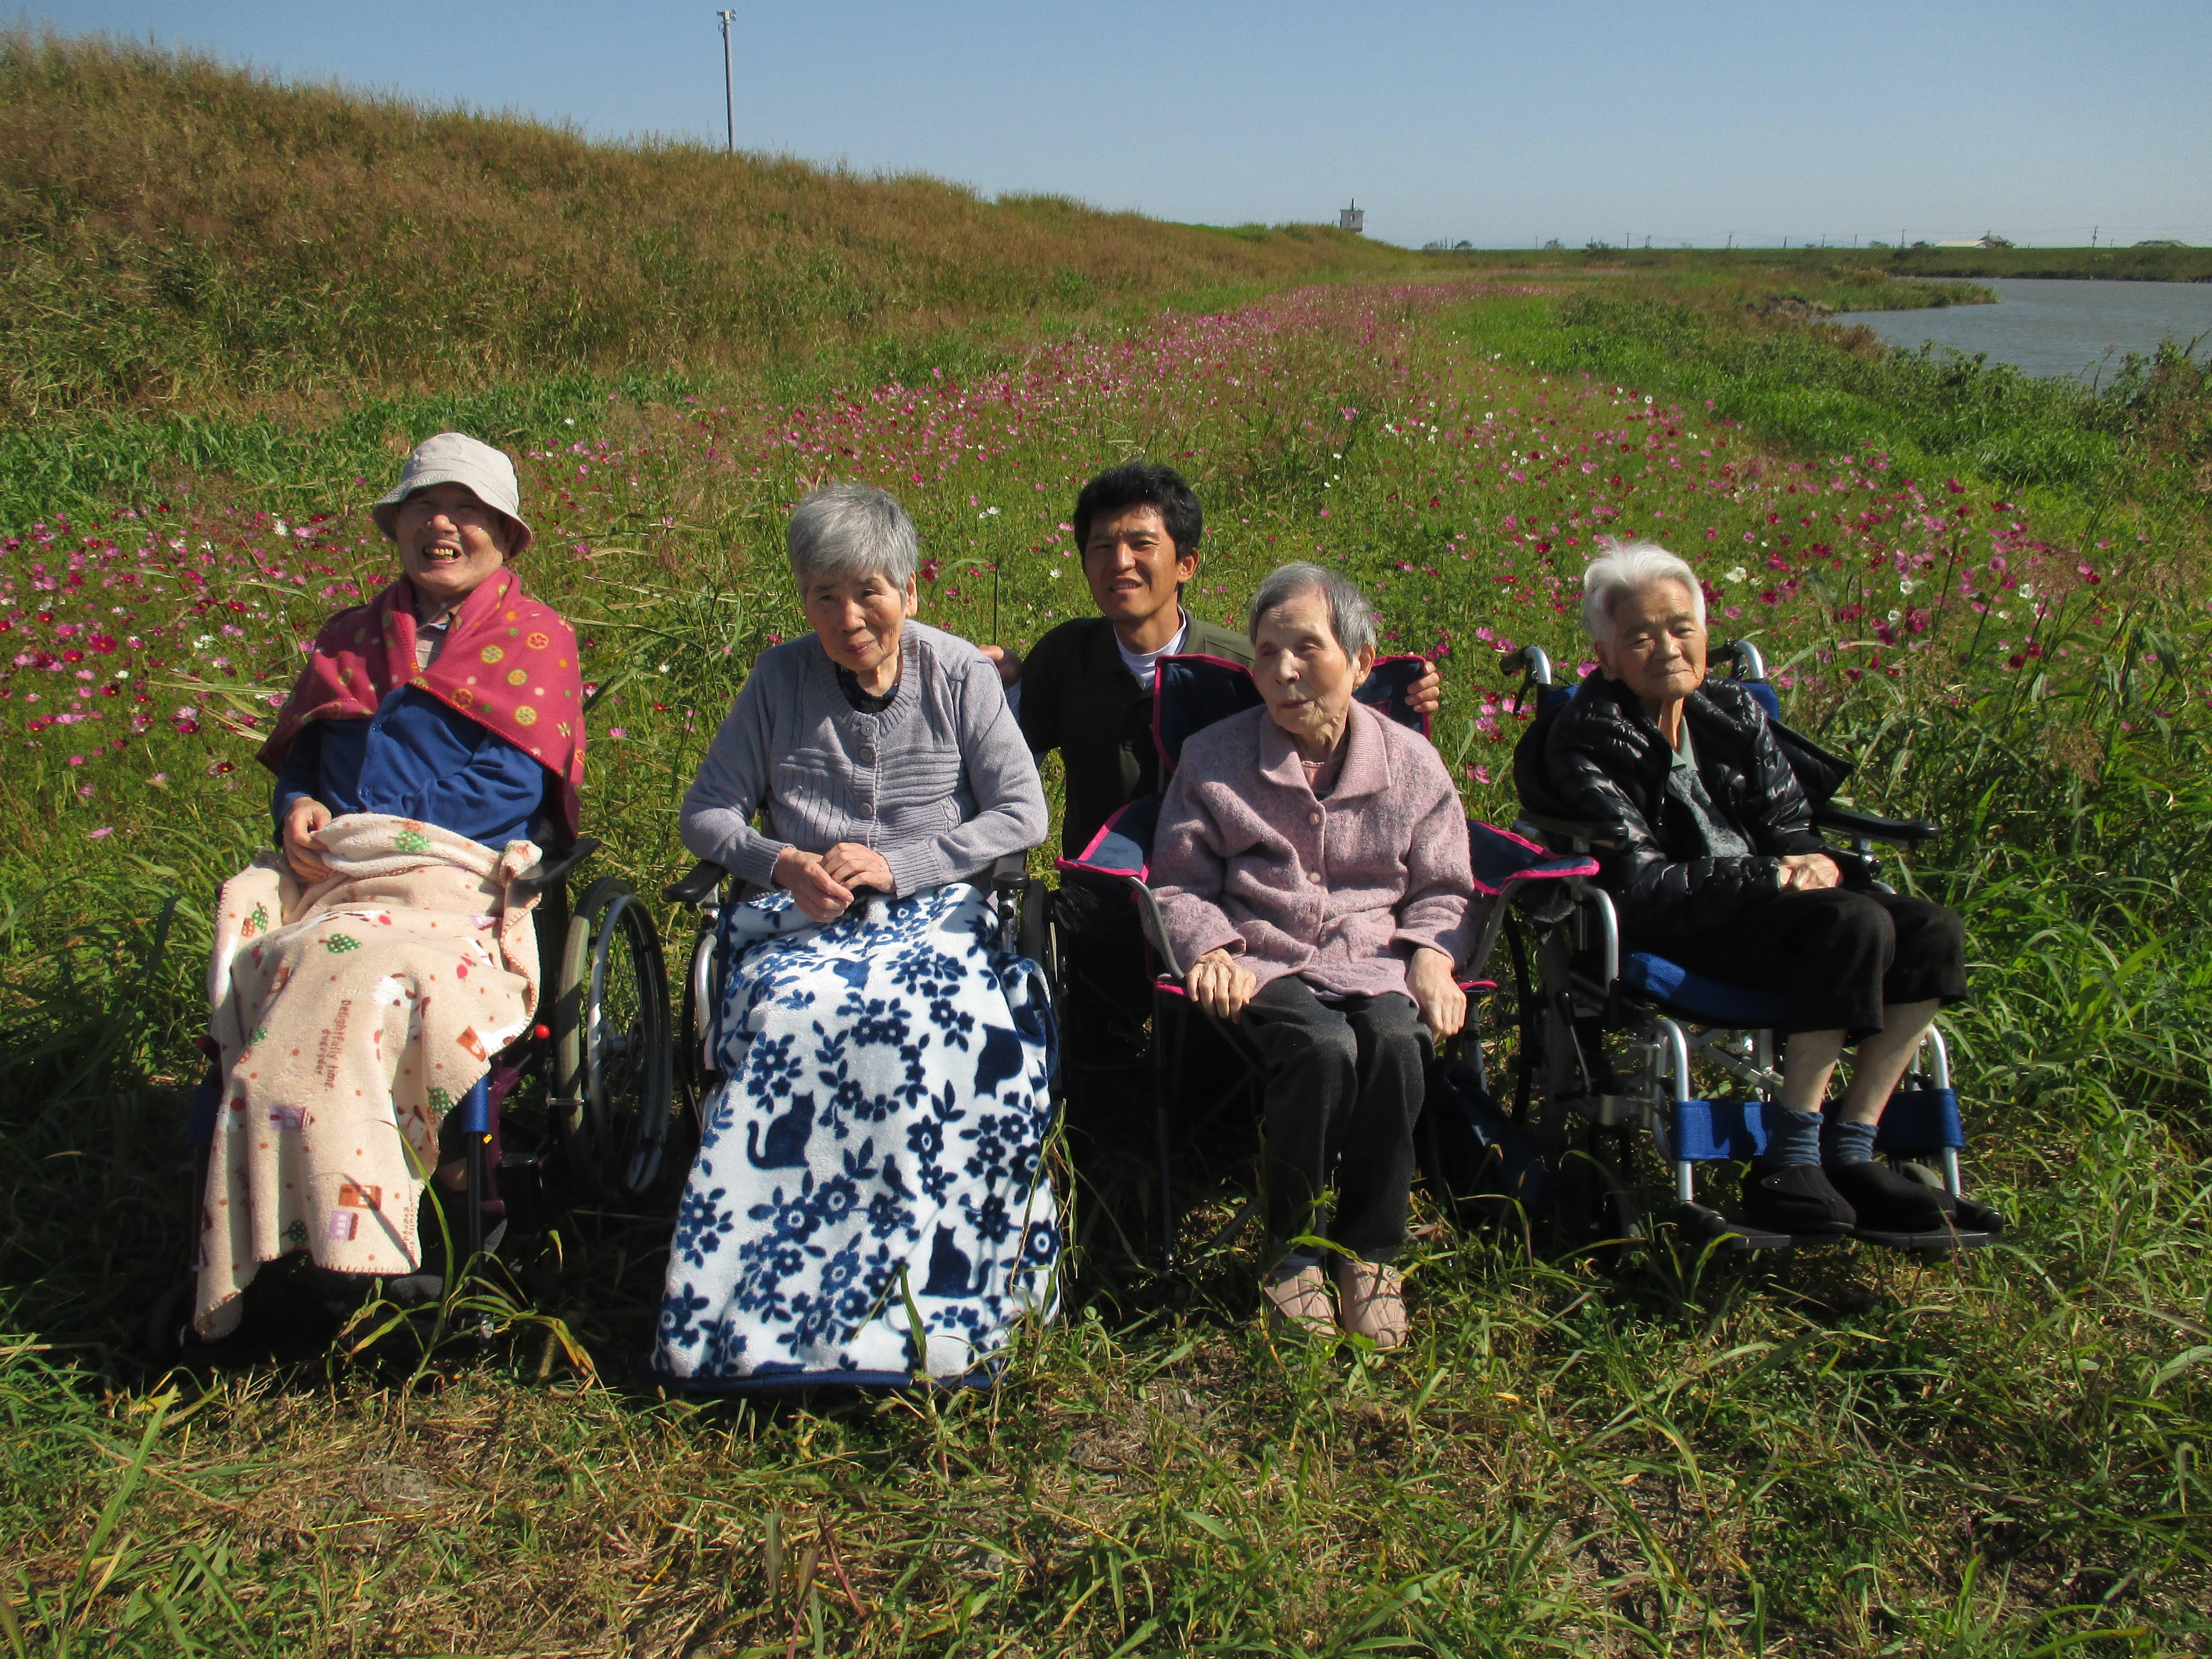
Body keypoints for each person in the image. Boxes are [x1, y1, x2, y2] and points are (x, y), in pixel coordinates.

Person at [656, 483, 1058, 1389]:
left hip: (937, 914)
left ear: (909, 591)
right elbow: (706, 813)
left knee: (944, 1028)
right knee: (791, 1022)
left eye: (869, 592)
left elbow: (1021, 813)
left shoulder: (959, 673)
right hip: (804, 920)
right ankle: (756, 1312)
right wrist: (781, 861)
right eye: (824, 596)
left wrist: (903, 864)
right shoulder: (777, 680)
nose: (849, 618)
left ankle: (939, 1297)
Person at [194, 432, 584, 1338]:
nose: (442, 526)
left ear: (504, 534)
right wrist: (298, 806)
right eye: (423, 509)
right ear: (396, 527)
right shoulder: (349, 638)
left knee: (373, 980)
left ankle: (390, 1225)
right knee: (281, 970)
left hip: (456, 878)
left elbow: (509, 790)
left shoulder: (538, 639)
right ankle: (290, 1219)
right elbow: (308, 762)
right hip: (338, 884)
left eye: (467, 511)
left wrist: (369, 821)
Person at [1520, 539, 2001, 1237]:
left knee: (1933, 931)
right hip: (1677, 923)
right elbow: (1644, 883)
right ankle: (1790, 1159)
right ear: (1607, 656)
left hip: (1774, 914)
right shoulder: (1583, 740)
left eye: (1682, 628)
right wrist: (1771, 874)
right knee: (1853, 924)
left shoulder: (1734, 713)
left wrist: (1812, 862)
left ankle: (1852, 1149)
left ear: (1705, 634)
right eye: (1642, 637)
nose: (1668, 649)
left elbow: (1789, 823)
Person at [982, 461, 1441, 1056]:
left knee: (1218, 1062)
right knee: (1100, 1063)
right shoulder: (1065, 657)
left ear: (1187, 564)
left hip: (1225, 903)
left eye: (1141, 544)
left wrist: (1401, 691)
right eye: (1101, 547)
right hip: (1104, 901)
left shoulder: (1240, 666)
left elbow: (1323, 711)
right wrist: (995, 687)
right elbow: (1014, 766)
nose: (1120, 562)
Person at [1150, 564, 1474, 1349]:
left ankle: (1370, 1252)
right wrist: (1210, 947)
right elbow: (1178, 883)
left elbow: (1444, 886)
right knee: (1322, 1046)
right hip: (1263, 958)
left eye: (1307, 649)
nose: (1284, 671)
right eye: (1266, 653)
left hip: (1376, 957)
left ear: (1361, 663)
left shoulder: (1411, 763)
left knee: (1396, 1040)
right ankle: (1293, 1253)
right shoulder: (1213, 757)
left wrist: (1431, 956)